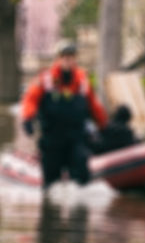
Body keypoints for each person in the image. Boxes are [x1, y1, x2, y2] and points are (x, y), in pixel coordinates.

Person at [20, 42, 108, 188]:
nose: (68, 60)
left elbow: (93, 105)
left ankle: (80, 207)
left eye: (71, 57)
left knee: (81, 173)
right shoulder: (45, 79)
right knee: (51, 181)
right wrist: (28, 118)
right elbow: (30, 99)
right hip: (52, 138)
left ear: (75, 59)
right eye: (65, 57)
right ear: (58, 59)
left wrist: (104, 125)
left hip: (76, 137)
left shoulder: (82, 80)